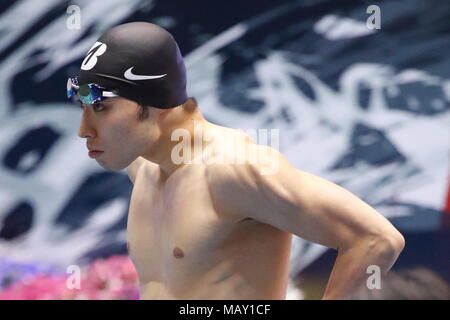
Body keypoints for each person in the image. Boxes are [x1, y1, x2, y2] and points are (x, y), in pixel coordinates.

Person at [69, 22, 405, 299]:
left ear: (154, 102)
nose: (84, 130)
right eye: (83, 108)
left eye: (100, 107)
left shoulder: (234, 168)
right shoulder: (142, 166)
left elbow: (376, 239)